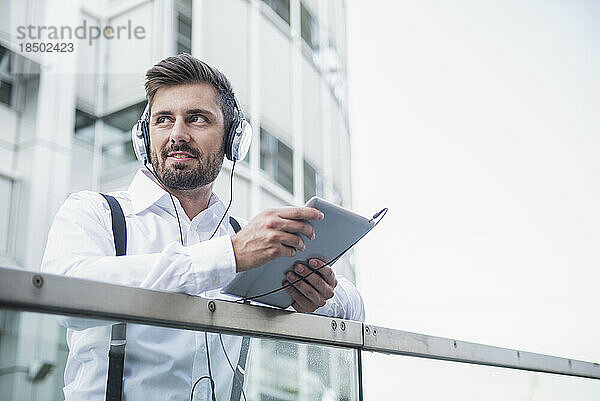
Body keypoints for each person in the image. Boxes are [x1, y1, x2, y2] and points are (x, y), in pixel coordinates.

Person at [41, 54, 364, 401]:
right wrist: (231, 255)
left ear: (232, 140)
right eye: (164, 119)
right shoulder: (96, 212)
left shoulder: (244, 237)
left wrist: (319, 296)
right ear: (144, 136)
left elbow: (355, 309)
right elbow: (64, 297)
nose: (177, 135)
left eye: (196, 119)